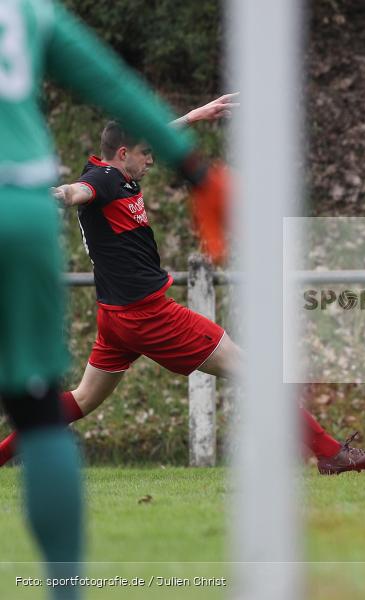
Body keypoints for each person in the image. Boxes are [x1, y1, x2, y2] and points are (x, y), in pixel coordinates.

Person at [0, 107, 365, 475]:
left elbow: (143, 142)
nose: (152, 160)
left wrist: (195, 115)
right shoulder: (101, 181)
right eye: (145, 154)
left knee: (84, 397)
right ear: (123, 153)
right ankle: (330, 453)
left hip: (116, 317)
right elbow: (74, 192)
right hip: (148, 315)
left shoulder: (112, 172)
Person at [0, 1, 226, 597]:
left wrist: (193, 117)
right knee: (39, 408)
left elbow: (126, 143)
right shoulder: (26, 12)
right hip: (22, 205)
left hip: (49, 223)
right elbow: (114, 89)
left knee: (72, 401)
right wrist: (198, 172)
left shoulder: (116, 170)